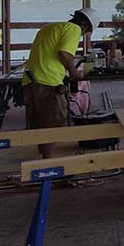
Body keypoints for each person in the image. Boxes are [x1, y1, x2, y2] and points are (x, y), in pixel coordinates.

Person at [23, 9, 93, 159]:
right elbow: (64, 54)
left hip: (30, 79)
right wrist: (74, 72)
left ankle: (44, 160)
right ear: (86, 26)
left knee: (40, 121)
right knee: (53, 121)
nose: (82, 35)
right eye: (86, 33)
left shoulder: (50, 27)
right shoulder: (73, 29)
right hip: (48, 79)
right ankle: (48, 165)